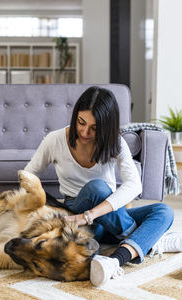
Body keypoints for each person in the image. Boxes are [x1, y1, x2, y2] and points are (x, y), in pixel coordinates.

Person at [24, 86, 182, 286]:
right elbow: (29, 176)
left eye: (95, 127)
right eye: (81, 122)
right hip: (79, 216)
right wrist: (57, 208)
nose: (84, 131)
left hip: (106, 215)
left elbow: (134, 185)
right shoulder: (54, 140)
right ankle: (150, 241)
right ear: (75, 117)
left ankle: (114, 261)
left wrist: (91, 214)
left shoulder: (114, 142)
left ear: (106, 127)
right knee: (96, 188)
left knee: (164, 211)